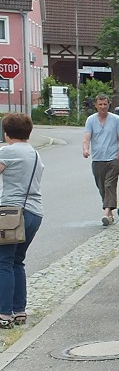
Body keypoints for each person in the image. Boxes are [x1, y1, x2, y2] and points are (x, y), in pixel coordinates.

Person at [0, 113, 44, 329]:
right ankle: (19, 311)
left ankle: (4, 313)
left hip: (12, 214)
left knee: (4, 261)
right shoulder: (34, 153)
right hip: (35, 212)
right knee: (17, 261)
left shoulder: (7, 151)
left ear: (6, 133)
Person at [82, 93, 119, 226]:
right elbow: (87, 136)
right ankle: (110, 213)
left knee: (109, 185)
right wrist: (86, 149)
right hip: (97, 159)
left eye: (105, 104)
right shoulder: (91, 120)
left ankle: (106, 213)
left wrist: (118, 157)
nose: (103, 107)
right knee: (102, 187)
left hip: (112, 158)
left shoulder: (116, 120)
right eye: (100, 104)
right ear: (96, 105)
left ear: (108, 105)